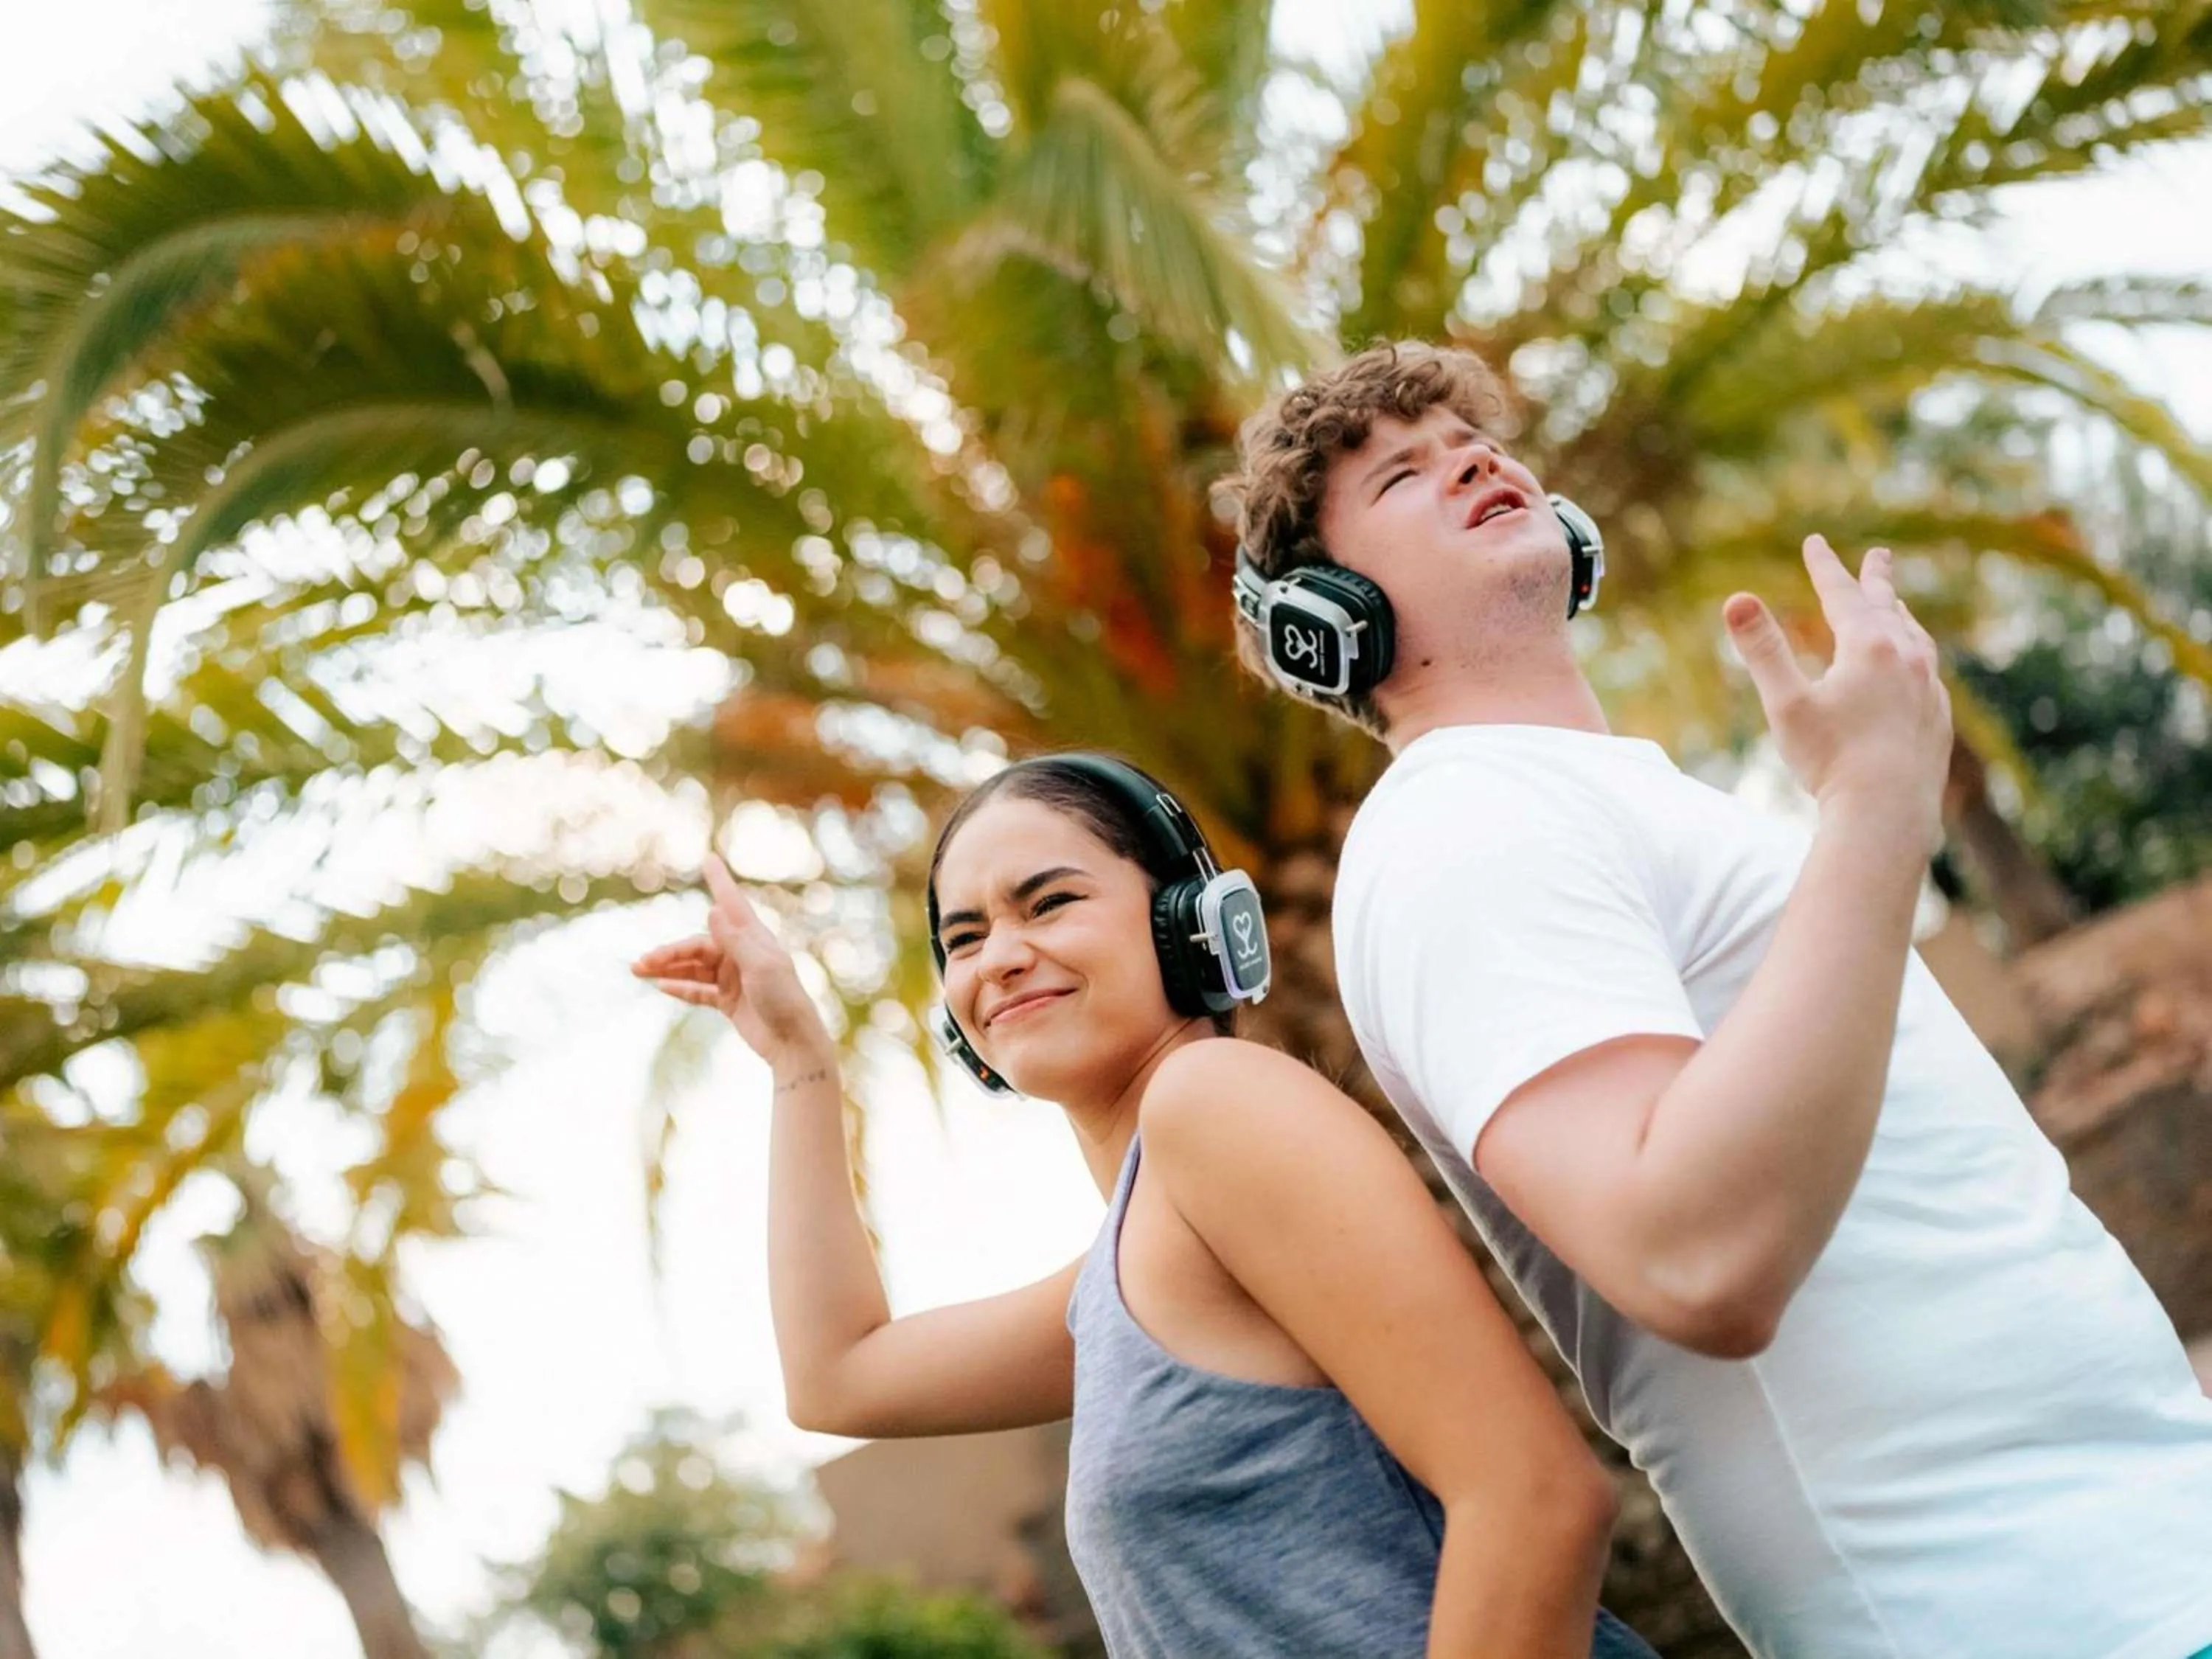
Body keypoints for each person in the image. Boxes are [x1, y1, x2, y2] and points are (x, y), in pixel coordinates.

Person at [1223, 340, 2212, 1659]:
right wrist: (1874, 804)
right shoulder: (1454, 826)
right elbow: (1694, 1258)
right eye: (1402, 474)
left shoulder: (1616, 799)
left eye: (1477, 440)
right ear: (1328, 615)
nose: (1471, 457)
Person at [632, 752, 1659, 1659]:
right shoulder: (1125, 1272)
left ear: (1188, 918)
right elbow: (837, 1379)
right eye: (965, 935)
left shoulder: (1215, 1101)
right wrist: (799, 1059)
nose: (999, 955)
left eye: (1049, 902)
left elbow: (1535, 1499)